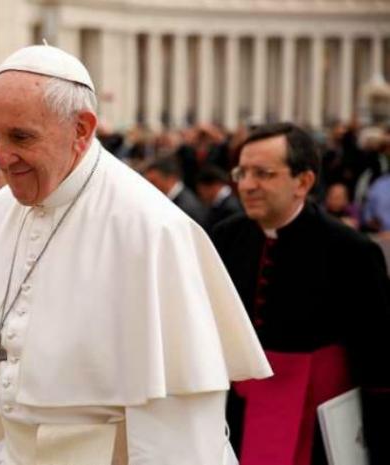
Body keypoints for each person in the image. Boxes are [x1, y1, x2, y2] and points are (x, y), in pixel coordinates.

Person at [0, 44, 271, 465]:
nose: (2, 157)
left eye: (21, 136)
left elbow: (178, 428)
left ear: (81, 129)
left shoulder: (153, 230)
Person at [212, 123, 390, 465]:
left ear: (303, 182)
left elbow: (378, 357)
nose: (247, 185)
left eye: (263, 174)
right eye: (242, 172)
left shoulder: (351, 250)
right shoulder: (225, 237)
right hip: (239, 412)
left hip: (319, 416)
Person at [142, 155, 208, 227]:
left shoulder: (185, 207)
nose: (149, 186)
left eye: (153, 182)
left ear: (171, 179)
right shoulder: (174, 200)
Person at [195, 164, 242, 233]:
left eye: (202, 190)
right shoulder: (220, 204)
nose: (201, 195)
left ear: (214, 186)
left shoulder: (230, 208)